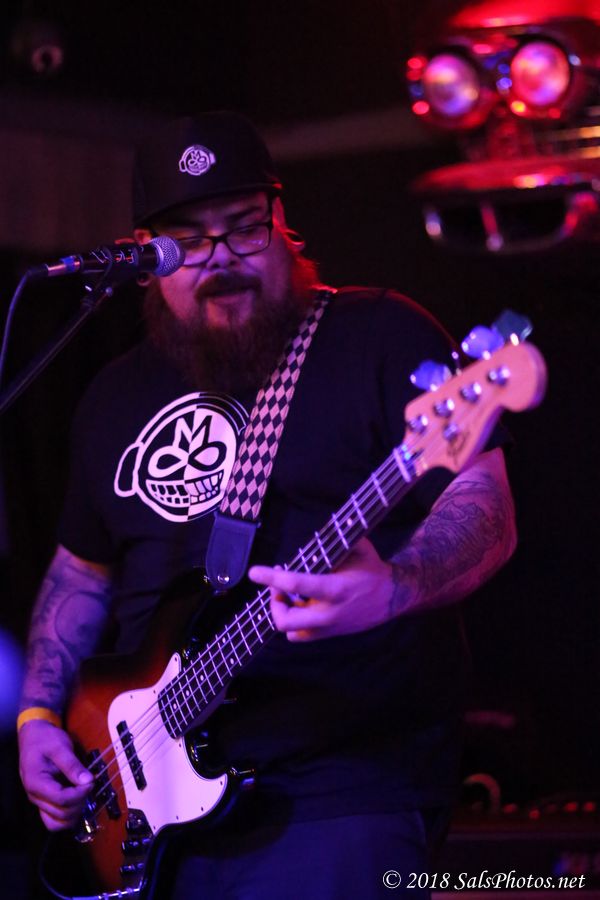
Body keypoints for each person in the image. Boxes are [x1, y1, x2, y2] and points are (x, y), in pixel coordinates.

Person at [17, 112, 516, 899]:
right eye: (188, 241)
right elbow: (80, 572)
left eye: (244, 228)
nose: (221, 258)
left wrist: (396, 585)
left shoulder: (377, 333)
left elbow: (484, 504)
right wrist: (38, 718)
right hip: (145, 803)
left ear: (282, 221)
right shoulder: (112, 393)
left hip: (338, 787)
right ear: (145, 255)